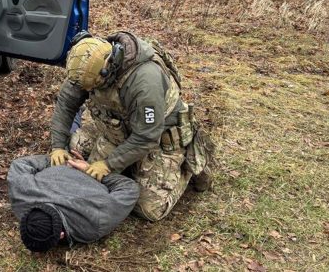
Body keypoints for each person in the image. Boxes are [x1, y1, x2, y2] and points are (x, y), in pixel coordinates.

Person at [49, 31, 214, 221]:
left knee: (148, 209)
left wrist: (109, 164)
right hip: (118, 132)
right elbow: (65, 105)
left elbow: (147, 136)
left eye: (91, 86)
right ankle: (128, 167)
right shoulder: (85, 64)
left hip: (158, 139)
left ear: (107, 68)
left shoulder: (145, 81)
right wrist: (58, 146)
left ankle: (188, 168)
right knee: (85, 170)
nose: (86, 91)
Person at [7, 152, 140, 252]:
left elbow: (130, 189)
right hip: (93, 161)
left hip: (80, 154)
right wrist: (89, 170)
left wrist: (61, 160)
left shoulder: (93, 223)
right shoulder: (21, 196)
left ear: (61, 235)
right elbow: (19, 164)